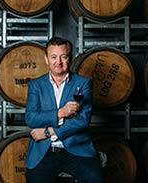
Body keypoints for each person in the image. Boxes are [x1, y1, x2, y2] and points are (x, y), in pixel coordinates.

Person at [25, 37, 105, 183]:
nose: (58, 62)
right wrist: (61, 112)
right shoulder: (36, 85)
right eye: (54, 57)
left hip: (76, 149)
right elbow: (31, 118)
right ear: (46, 59)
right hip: (44, 151)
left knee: (95, 179)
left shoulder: (83, 83)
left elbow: (82, 120)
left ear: (70, 58)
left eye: (64, 56)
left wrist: (48, 132)